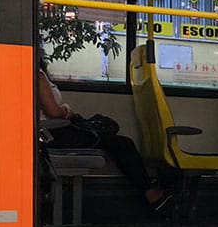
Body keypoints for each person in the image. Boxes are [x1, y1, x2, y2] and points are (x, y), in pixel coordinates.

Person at [37, 52, 172, 212]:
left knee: (114, 141)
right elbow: (52, 111)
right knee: (123, 144)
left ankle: (150, 191)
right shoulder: (38, 76)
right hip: (56, 133)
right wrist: (65, 110)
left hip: (51, 133)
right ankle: (152, 194)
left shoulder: (33, 73)